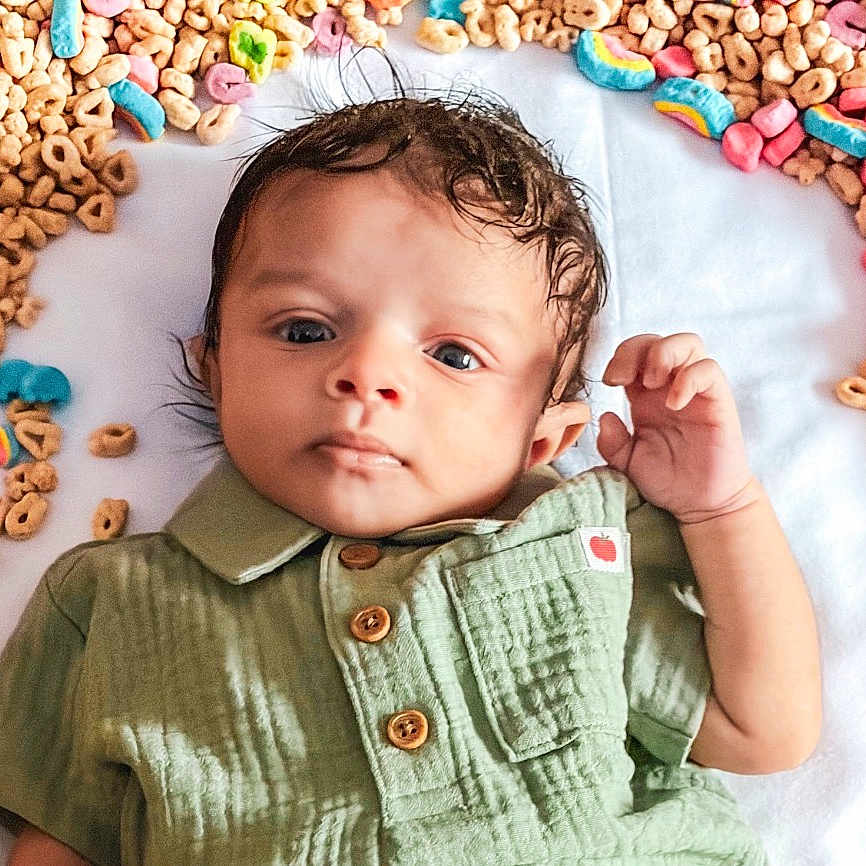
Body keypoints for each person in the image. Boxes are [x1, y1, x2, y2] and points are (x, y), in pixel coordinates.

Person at [0, 86, 821, 866]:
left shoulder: (578, 554)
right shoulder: (108, 604)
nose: (366, 372)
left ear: (544, 439)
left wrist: (720, 507)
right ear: (214, 367)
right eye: (304, 328)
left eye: (454, 355)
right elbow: (59, 835)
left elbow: (763, 730)